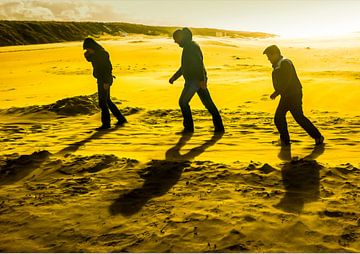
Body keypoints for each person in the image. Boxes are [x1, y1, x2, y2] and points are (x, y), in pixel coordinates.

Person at [263, 45, 324, 146]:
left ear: (276, 54)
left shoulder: (285, 63)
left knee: (290, 117)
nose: (268, 59)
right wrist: (278, 92)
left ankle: (316, 137)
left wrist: (277, 92)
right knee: (283, 117)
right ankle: (287, 140)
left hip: (292, 95)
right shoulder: (279, 64)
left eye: (269, 56)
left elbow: (287, 80)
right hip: (287, 95)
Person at [169, 28, 224, 133]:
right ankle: (219, 128)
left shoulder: (191, 47)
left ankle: (189, 128)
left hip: (194, 80)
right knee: (208, 104)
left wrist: (202, 80)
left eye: (176, 39)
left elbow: (199, 64)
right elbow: (184, 67)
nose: (175, 42)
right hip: (197, 80)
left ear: (181, 37)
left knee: (183, 102)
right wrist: (174, 77)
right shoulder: (189, 47)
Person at [83, 37, 127, 130]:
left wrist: (106, 82)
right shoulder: (94, 55)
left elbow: (108, 68)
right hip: (101, 79)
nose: (87, 50)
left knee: (102, 102)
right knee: (107, 101)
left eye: (88, 48)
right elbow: (89, 59)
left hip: (105, 80)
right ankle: (121, 119)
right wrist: (86, 54)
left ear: (92, 47)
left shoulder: (102, 54)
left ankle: (106, 124)